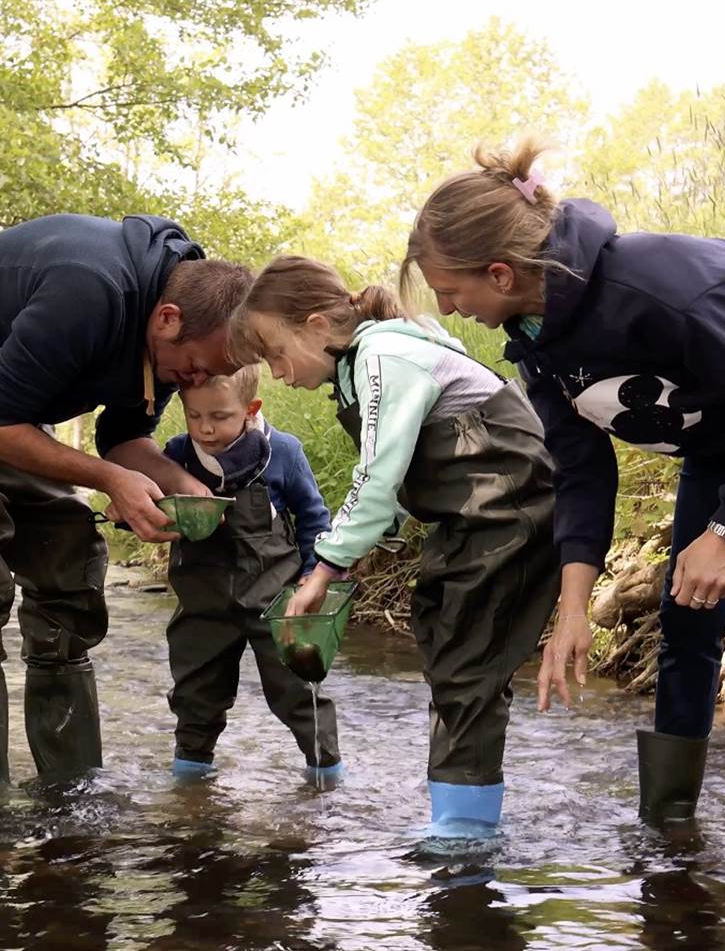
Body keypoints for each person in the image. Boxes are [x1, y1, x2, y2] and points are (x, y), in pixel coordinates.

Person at [400, 138, 725, 871]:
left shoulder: (662, 287)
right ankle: (669, 837)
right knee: (687, 616)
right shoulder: (536, 341)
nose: (450, 307)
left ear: (502, 272)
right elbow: (581, 473)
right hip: (723, 427)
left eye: (450, 290)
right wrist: (572, 610)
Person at [0, 214, 251, 793]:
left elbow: (123, 440)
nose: (195, 382)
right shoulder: (90, 289)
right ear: (168, 321)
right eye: (196, 368)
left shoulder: (177, 328)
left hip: (2, 401)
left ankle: (71, 793)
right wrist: (113, 482)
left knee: (70, 562)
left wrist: (182, 484)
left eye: (211, 376)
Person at [232, 256, 558, 833]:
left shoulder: (383, 357)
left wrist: (321, 573)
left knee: (466, 664)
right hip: (476, 518)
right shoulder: (364, 363)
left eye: (276, 352)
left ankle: (464, 835)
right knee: (440, 635)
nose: (278, 373)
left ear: (314, 327)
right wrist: (356, 551)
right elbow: (401, 476)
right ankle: (459, 816)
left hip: (509, 510)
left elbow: (377, 476)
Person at [160, 365, 341, 785]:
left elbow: (315, 519)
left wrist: (312, 578)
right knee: (195, 693)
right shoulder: (177, 454)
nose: (205, 429)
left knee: (299, 690)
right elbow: (151, 505)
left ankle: (327, 779)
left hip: (276, 602)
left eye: (219, 417)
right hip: (201, 602)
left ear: (250, 408)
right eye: (194, 416)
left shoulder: (284, 452)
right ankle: (188, 784)